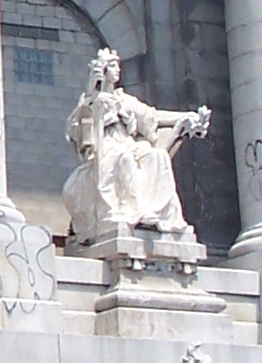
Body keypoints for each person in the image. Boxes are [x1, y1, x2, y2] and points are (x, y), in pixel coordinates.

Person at [61, 48, 208, 253]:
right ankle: (136, 210)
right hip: (107, 147)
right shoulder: (91, 100)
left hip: (127, 143)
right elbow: (78, 128)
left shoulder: (125, 100)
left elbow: (152, 117)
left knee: (157, 155)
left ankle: (157, 214)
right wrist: (91, 92)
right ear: (103, 70)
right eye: (113, 66)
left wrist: (185, 117)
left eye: (118, 65)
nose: (118, 70)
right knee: (124, 158)